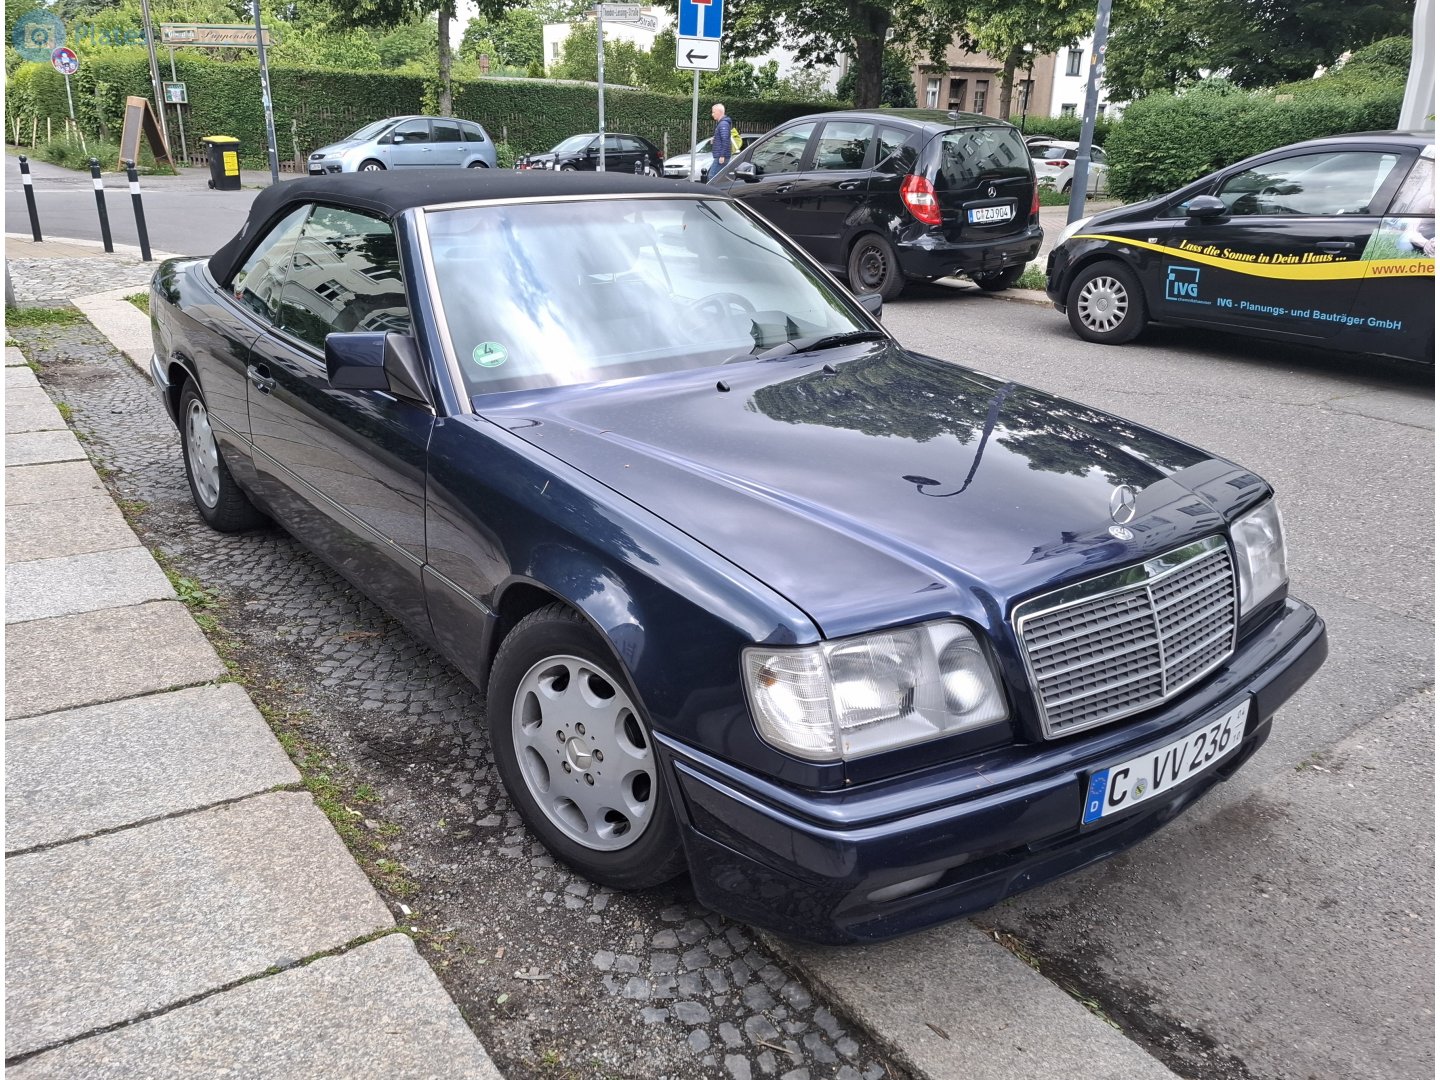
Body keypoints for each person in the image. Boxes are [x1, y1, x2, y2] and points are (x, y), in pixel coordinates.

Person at [711, 103, 734, 172]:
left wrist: (722, 156)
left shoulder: (723, 124)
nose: (712, 114)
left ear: (719, 112)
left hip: (721, 156)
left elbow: (725, 140)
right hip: (720, 155)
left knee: (712, 177)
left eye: (713, 112)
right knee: (717, 177)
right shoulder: (722, 123)